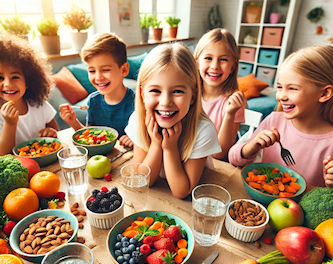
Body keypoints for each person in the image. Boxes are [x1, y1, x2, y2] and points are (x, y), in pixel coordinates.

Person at [125, 43, 221, 199]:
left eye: (177, 91)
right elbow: (143, 181)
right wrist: (156, 144)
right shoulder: (138, 120)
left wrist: (169, 148)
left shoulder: (203, 130)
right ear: (142, 94)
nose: (165, 102)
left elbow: (181, 191)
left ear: (193, 96)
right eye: (155, 90)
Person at [229, 45, 333, 188]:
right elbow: (233, 158)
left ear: (324, 94)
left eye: (292, 88)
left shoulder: (330, 143)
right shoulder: (275, 120)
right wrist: (251, 147)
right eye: (279, 87)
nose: (280, 96)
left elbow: (324, 201)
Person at [60, 33, 134, 147]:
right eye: (92, 71)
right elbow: (90, 136)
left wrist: (136, 138)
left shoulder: (138, 102)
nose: (98, 77)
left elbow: (151, 137)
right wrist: (73, 122)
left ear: (124, 70)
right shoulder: (93, 101)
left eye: (105, 70)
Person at [0, 33, 59, 155]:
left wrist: (51, 133)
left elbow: (56, 132)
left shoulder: (39, 105)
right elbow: (2, 156)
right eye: (0, 78)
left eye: (15, 77)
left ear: (28, 81)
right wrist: (10, 124)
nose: (8, 84)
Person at [194, 28, 246, 160]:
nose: (215, 66)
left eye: (223, 60)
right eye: (208, 58)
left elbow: (219, 154)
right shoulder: (188, 93)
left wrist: (230, 114)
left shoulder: (234, 103)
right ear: (197, 62)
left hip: (215, 165)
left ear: (232, 66)